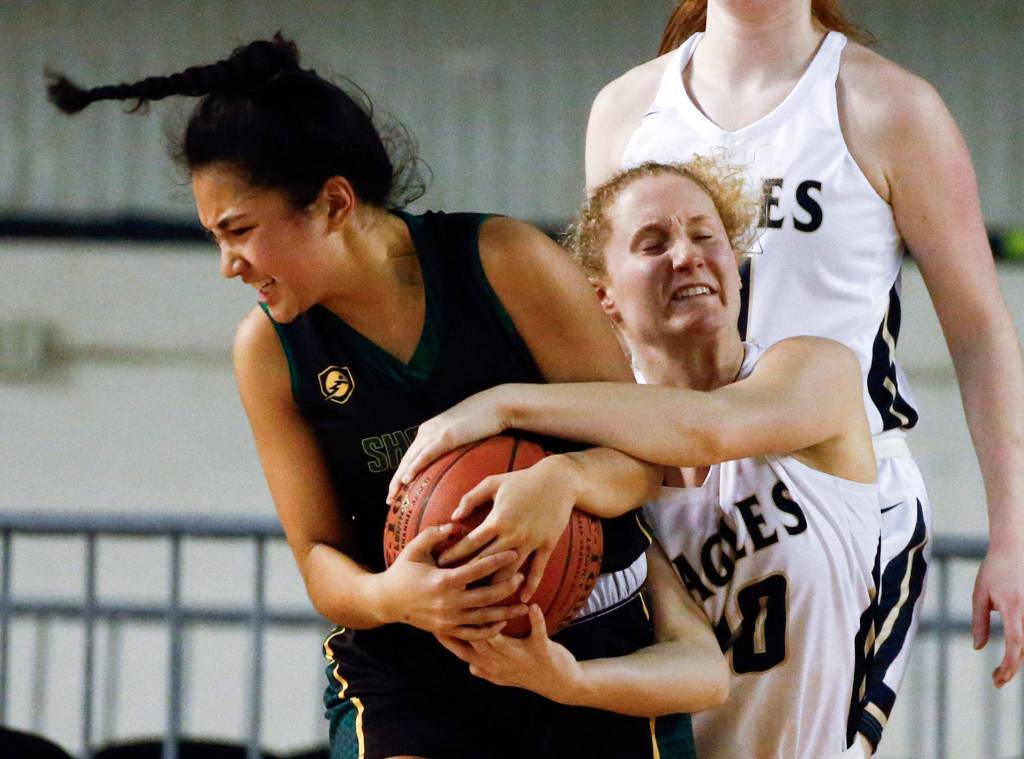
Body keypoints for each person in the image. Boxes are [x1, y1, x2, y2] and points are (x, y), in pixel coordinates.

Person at [46, 34, 715, 759]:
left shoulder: (505, 264)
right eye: (215, 237)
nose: (228, 265)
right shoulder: (269, 349)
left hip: (588, 634)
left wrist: (566, 477)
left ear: (333, 202)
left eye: (239, 231)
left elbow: (645, 456)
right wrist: (399, 595)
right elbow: (320, 556)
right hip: (414, 664)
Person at [583, 0, 1024, 752]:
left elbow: (980, 328)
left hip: (831, 490)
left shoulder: (887, 104)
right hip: (672, 489)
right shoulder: (628, 106)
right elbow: (606, 318)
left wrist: (1012, 533)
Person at [392, 157, 881, 759]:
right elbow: (696, 664)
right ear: (602, 296)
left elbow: (709, 431)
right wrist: (561, 674)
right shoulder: (604, 457)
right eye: (654, 243)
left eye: (707, 236)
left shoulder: (816, 371)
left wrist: (505, 404)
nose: (687, 255)